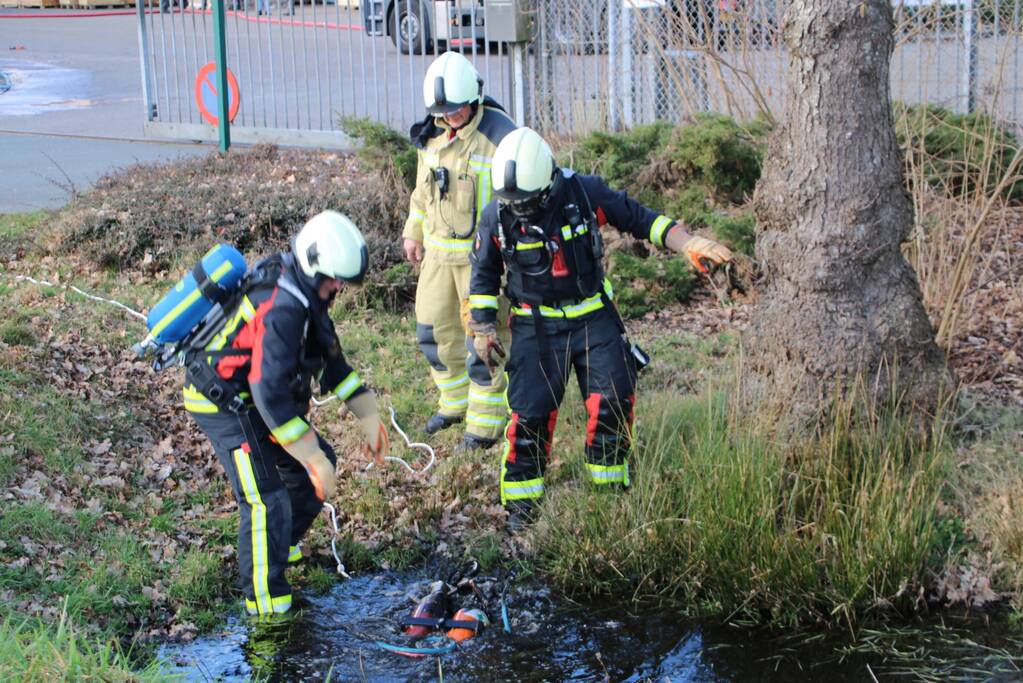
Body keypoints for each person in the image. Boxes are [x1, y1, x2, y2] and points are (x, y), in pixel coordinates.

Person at [467, 128, 733, 528]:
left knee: (613, 400)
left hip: (593, 316)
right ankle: (522, 504)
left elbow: (638, 217)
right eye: (513, 204)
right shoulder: (497, 215)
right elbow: (483, 277)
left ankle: (608, 490)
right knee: (530, 414)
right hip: (535, 326)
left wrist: (687, 242)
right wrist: (483, 329)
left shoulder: (583, 194)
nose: (521, 211)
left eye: (528, 203)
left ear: (548, 183)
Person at [182, 211, 390, 616]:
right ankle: (267, 605)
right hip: (221, 400)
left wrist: (368, 414)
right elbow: (271, 392)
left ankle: (277, 545)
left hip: (254, 397)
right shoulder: (283, 307)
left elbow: (332, 363)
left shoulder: (307, 294)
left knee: (311, 474)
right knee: (265, 499)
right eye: (333, 280)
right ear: (313, 267)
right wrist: (309, 455)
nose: (338, 288)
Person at [402, 51, 517, 452]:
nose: (450, 117)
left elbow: (517, 198)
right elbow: (421, 193)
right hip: (436, 257)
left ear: (475, 97)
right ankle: (453, 403)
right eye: (443, 111)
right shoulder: (431, 135)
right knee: (432, 330)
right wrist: (413, 232)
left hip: (480, 262)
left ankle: (485, 424)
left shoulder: (500, 136)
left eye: (456, 109)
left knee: (482, 339)